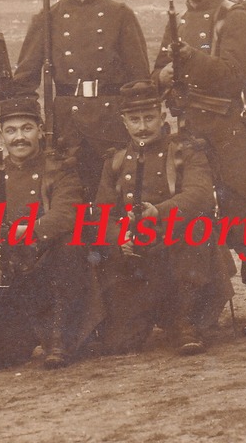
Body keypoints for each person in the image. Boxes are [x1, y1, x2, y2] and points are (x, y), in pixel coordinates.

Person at [11, 0, 151, 200]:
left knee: (112, 196)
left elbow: (140, 78)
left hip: (110, 121)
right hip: (66, 124)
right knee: (70, 197)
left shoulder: (120, 14)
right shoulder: (47, 18)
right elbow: (25, 80)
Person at [91, 80, 222, 356]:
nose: (142, 127)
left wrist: (158, 213)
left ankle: (187, 319)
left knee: (197, 225)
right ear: (124, 121)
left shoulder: (186, 150)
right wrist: (120, 238)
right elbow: (102, 214)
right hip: (136, 257)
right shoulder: (114, 161)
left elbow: (200, 195)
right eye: (134, 119)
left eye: (149, 118)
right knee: (120, 345)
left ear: (162, 117)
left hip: (177, 249)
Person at [153, 0, 243, 333]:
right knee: (197, 213)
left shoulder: (233, 17)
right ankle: (201, 301)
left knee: (242, 210)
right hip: (190, 129)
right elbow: (157, 74)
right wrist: (164, 75)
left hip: (228, 128)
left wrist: (187, 57)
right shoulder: (179, 21)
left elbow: (231, 74)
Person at [0, 95, 103, 369]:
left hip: (52, 267)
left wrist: (27, 236)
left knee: (70, 242)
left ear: (40, 131)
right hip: (15, 275)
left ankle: (60, 337)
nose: (19, 137)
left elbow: (66, 213)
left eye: (26, 128)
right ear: (0, 135)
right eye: (11, 130)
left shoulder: (60, 169)